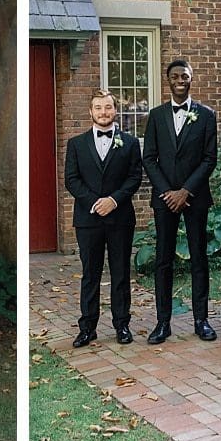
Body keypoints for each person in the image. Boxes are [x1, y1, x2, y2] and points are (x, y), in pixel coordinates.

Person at [140, 59, 219, 343]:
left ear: (191, 79)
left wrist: (186, 191)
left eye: (184, 76)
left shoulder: (207, 114)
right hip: (164, 199)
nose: (180, 80)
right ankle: (163, 322)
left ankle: (201, 320)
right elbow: (149, 157)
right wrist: (168, 192)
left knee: (199, 257)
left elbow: (210, 158)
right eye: (175, 76)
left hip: (195, 197)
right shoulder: (156, 115)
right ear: (168, 80)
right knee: (163, 260)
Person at [63, 90, 142, 348]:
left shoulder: (130, 143)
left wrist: (114, 200)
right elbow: (71, 180)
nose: (103, 112)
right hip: (88, 219)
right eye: (98, 108)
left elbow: (134, 178)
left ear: (115, 110)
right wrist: (95, 203)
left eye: (108, 107)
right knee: (90, 274)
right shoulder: (76, 143)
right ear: (90, 112)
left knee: (120, 272)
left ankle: (122, 325)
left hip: (120, 217)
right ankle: (87, 327)